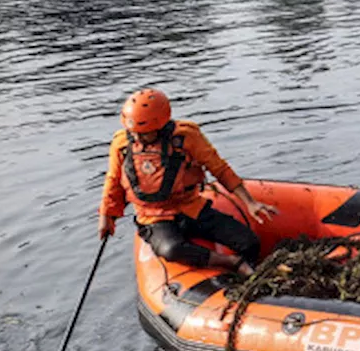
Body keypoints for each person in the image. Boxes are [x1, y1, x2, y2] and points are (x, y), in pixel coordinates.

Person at [98, 89, 275, 275]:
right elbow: (114, 181)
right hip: (153, 217)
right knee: (171, 249)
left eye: (144, 134)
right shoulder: (121, 145)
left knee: (249, 241)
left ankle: (250, 278)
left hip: (192, 208)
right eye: (133, 133)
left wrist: (250, 203)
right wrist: (106, 217)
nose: (138, 139)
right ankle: (231, 263)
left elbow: (219, 169)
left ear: (161, 126)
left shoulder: (187, 137)